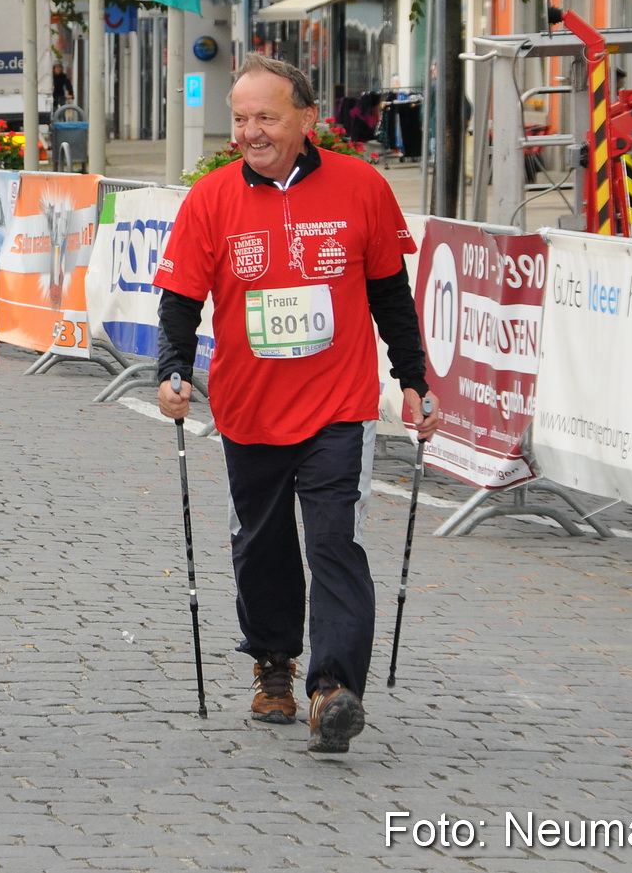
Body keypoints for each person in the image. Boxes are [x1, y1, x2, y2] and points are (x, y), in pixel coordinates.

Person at [153, 53, 439, 755]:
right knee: (262, 544)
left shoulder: (361, 186)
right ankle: (273, 661)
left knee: (332, 541)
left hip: (336, 405)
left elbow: (389, 296)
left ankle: (333, 690)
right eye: (241, 118)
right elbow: (180, 299)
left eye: (266, 117)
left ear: (307, 120)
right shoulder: (210, 198)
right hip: (248, 406)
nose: (250, 131)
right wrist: (171, 369)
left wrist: (412, 378)